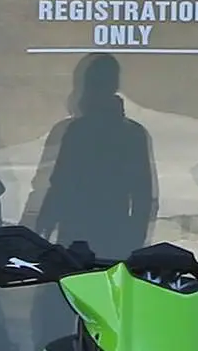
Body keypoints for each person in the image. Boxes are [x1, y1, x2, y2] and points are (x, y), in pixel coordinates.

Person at [29, 50, 160, 260]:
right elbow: (143, 195)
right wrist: (135, 239)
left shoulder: (77, 130)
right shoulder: (131, 133)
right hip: (109, 234)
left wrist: (43, 225)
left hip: (80, 234)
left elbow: (59, 185)